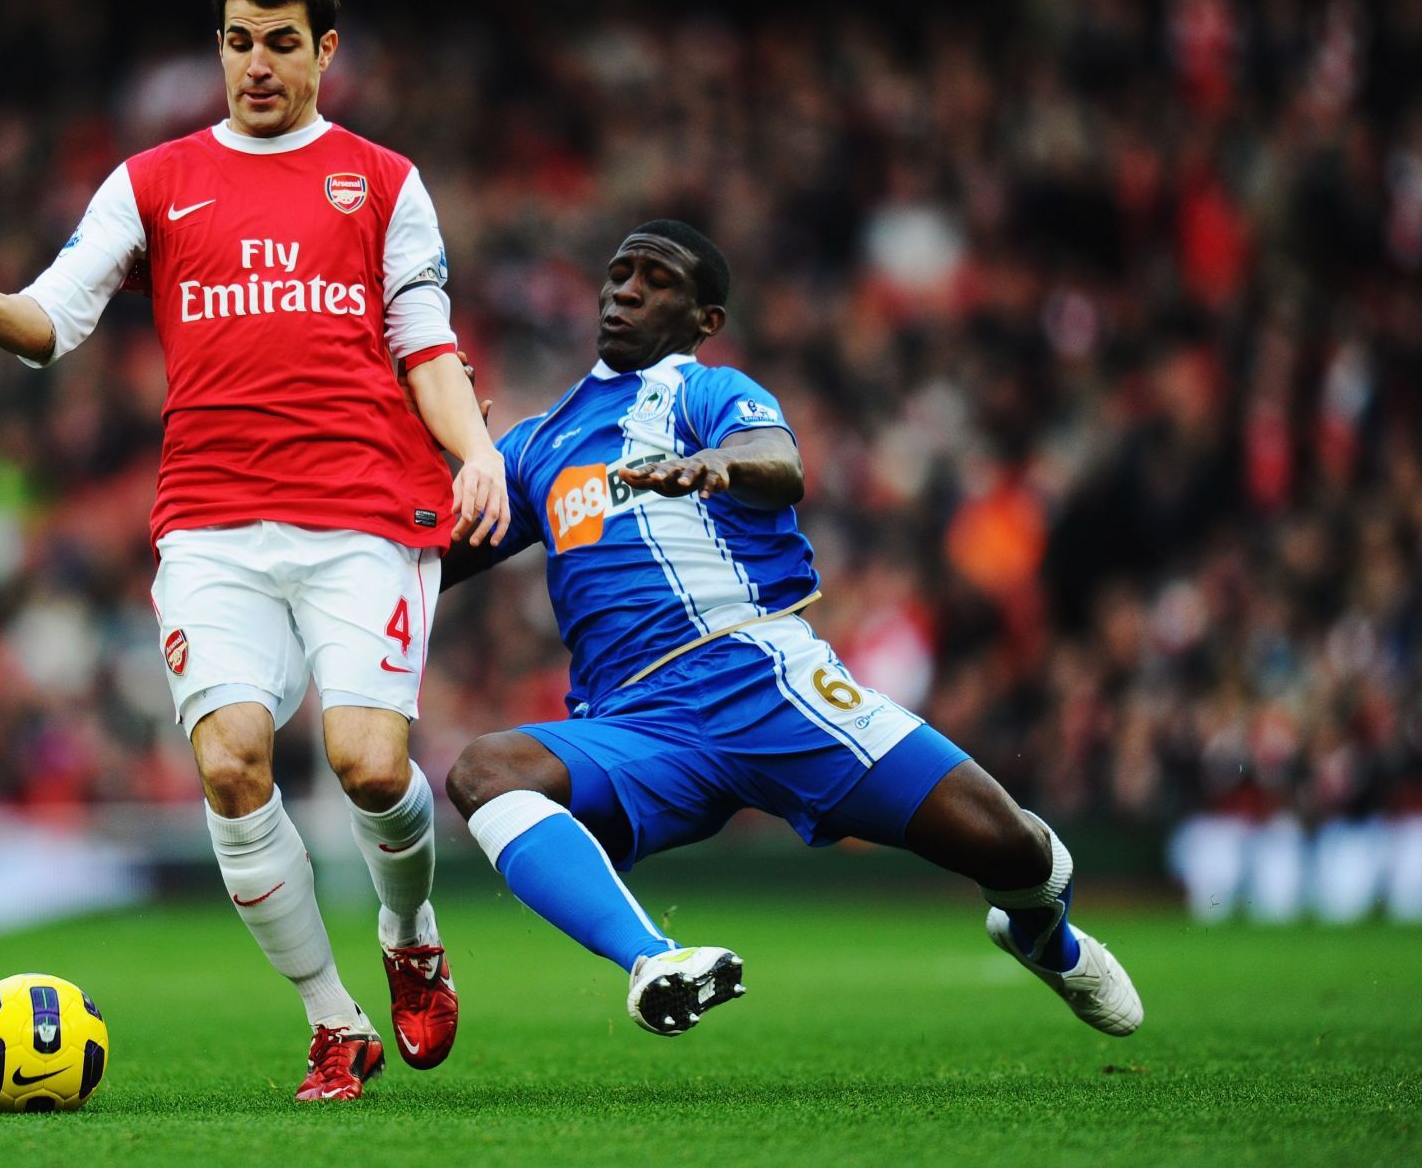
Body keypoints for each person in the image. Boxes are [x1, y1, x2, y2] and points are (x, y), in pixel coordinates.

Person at [0, 0, 509, 1101]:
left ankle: (411, 934)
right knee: (231, 765)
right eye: (240, 40)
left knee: (366, 761)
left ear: (325, 49)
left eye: (282, 42)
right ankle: (333, 1021)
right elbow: (58, 314)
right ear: (221, 44)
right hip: (209, 521)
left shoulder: (383, 182)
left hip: (363, 511)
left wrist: (478, 453)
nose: (257, 64)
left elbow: (426, 341)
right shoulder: (152, 180)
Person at [441, 221, 1142, 1040]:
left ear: (706, 319)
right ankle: (652, 960)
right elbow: (432, 561)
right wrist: (427, 457)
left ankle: (1042, 935)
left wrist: (721, 464)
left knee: (1012, 848)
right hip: (640, 724)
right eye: (618, 273)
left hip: (763, 679)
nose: (625, 290)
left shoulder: (705, 394)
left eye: (656, 279)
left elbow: (781, 461)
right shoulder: (533, 446)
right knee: (486, 771)